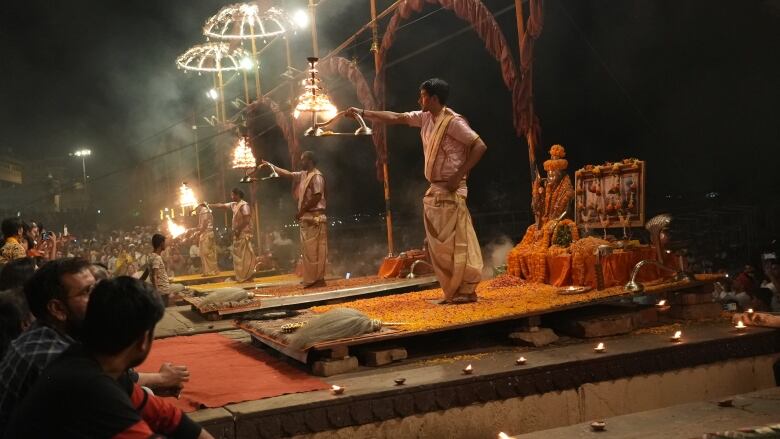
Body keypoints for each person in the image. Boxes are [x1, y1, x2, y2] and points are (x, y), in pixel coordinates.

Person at [5, 276, 212, 439]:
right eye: (85, 291)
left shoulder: (90, 362)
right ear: (143, 339)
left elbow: (165, 415)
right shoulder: (90, 387)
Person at [347, 78, 487, 303]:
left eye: (422, 96)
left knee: (456, 244)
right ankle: (454, 291)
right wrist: (362, 112)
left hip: (453, 191)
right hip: (436, 191)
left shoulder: (453, 122)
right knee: (439, 248)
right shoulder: (425, 118)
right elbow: (396, 117)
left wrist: (458, 174)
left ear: (433, 98)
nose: (418, 99)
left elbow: (479, 146)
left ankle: (467, 290)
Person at [264, 151, 328, 288]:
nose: (301, 162)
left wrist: (302, 211)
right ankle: (312, 279)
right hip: (307, 218)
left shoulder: (316, 176)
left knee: (316, 251)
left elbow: (317, 197)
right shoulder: (304, 174)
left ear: (310, 160)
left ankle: (318, 280)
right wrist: (271, 166)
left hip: (315, 218)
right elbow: (288, 174)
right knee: (308, 252)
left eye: (303, 160)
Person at [211, 188, 256, 282]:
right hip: (237, 234)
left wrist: (238, 229)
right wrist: (209, 205)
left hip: (244, 234)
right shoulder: (234, 204)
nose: (231, 197)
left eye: (232, 195)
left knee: (245, 257)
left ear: (237, 195)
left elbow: (247, 220)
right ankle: (241, 277)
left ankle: (247, 276)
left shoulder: (244, 205)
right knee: (238, 257)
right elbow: (222, 205)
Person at [148, 234, 186, 304]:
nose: (165, 245)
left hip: (163, 290)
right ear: (161, 244)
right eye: (164, 243)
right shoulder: (157, 257)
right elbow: (154, 276)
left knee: (180, 287)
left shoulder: (151, 256)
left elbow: (151, 273)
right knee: (182, 287)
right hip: (162, 292)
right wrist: (157, 293)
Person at [194, 202, 219, 276]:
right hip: (205, 234)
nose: (196, 209)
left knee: (207, 253)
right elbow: (201, 224)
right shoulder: (204, 211)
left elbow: (204, 224)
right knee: (204, 253)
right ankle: (207, 271)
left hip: (206, 234)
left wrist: (199, 232)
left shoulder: (204, 210)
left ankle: (211, 271)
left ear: (200, 206)